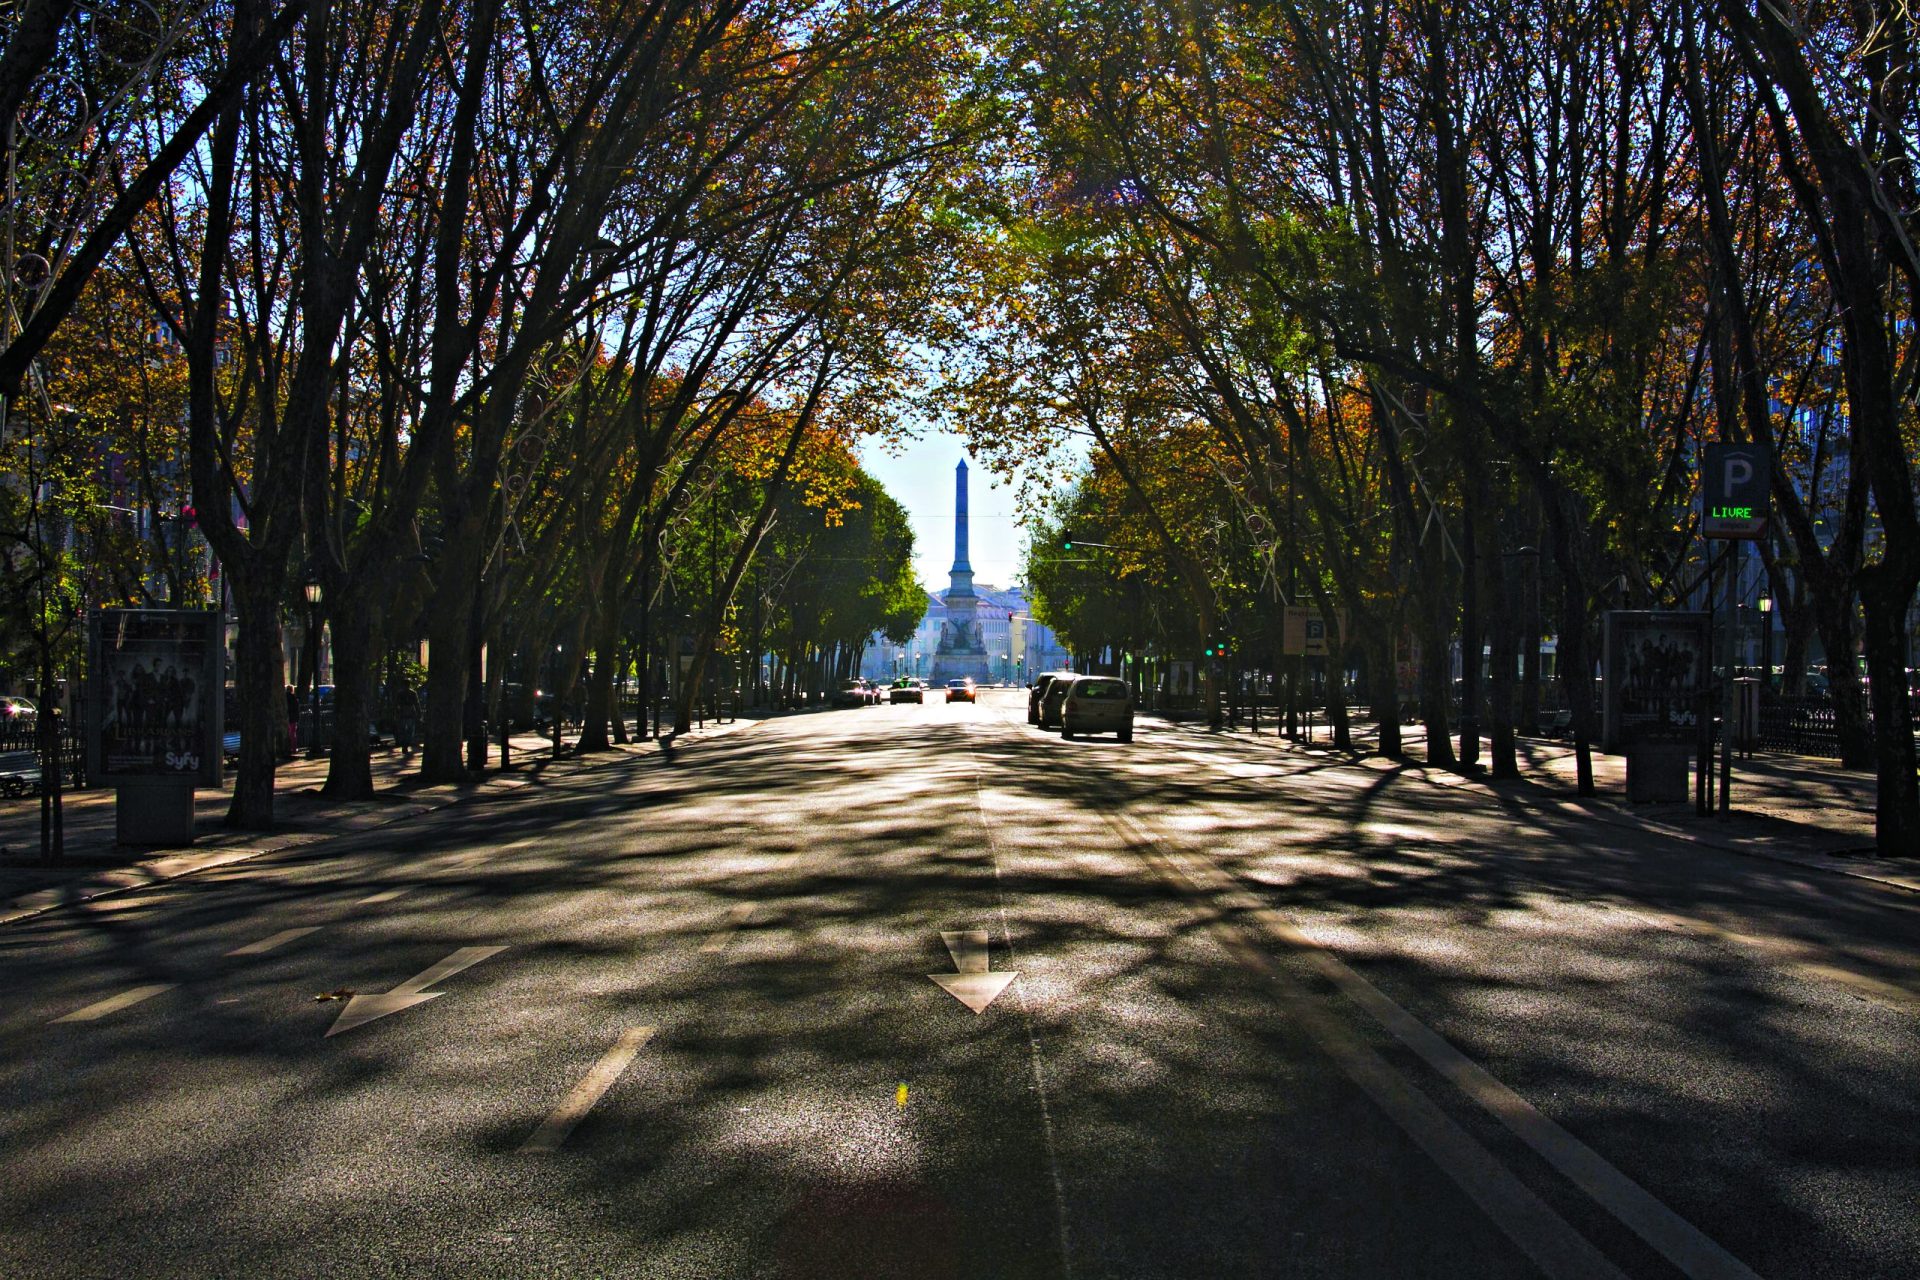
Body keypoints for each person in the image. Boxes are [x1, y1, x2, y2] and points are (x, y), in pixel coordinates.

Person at [395, 682, 418, 755]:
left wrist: (396, 713)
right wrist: (418, 713)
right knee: (410, 731)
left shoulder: (400, 693)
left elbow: (396, 704)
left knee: (402, 730)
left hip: (402, 714)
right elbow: (416, 703)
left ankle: (404, 744)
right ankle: (407, 743)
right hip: (410, 713)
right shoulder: (413, 693)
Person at [285, 684, 299, 757]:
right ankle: (293, 748)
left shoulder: (284, 698)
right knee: (293, 734)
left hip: (286, 718)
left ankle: (287, 748)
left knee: (287, 733)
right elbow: (296, 709)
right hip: (293, 718)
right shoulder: (294, 698)